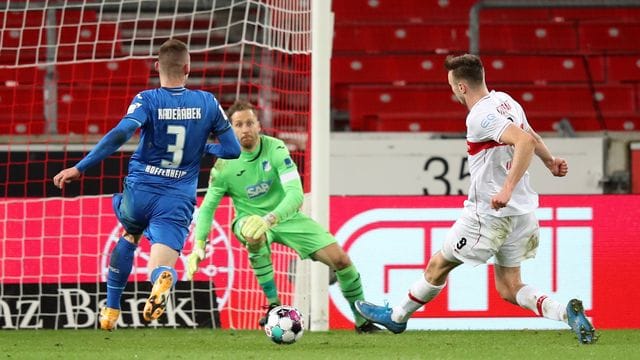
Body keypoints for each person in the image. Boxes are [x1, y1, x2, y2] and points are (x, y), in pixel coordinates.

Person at [355, 54, 597, 344]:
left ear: (460, 87)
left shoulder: (479, 116)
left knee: (438, 265)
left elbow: (524, 141)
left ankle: (396, 318)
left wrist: (506, 188)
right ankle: (564, 313)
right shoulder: (506, 100)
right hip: (522, 214)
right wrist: (550, 161)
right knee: (509, 287)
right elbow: (529, 134)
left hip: (489, 215)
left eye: (451, 86)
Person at [52, 39, 241, 331]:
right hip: (177, 197)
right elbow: (233, 150)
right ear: (188, 68)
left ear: (157, 67)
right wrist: (205, 149)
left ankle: (111, 309)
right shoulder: (207, 102)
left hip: (140, 191)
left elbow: (121, 132)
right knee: (161, 266)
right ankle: (162, 278)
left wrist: (81, 167)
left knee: (131, 232)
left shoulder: (147, 99)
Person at [187, 100, 380, 333]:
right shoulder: (223, 166)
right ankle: (273, 306)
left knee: (340, 260)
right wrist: (199, 244)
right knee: (252, 232)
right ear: (230, 130)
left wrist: (269, 218)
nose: (245, 129)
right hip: (248, 220)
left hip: (285, 217)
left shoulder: (276, 149)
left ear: (259, 125)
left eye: (249, 123)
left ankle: (363, 321)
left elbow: (296, 195)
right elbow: (207, 207)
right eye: (238, 124)